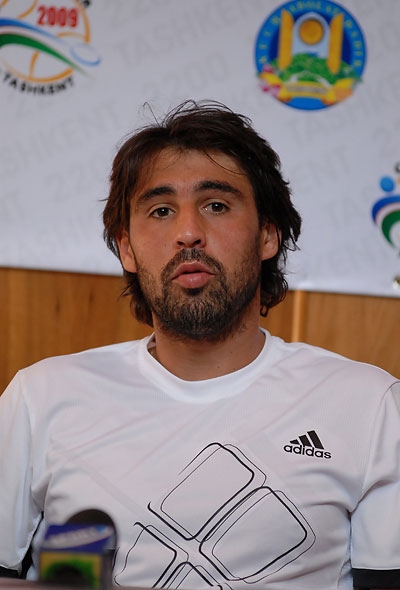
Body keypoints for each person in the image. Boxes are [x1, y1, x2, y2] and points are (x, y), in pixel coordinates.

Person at [0, 100, 399, 590]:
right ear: (126, 248)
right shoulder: (40, 398)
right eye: (161, 211)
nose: (188, 233)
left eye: (216, 205)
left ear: (268, 235)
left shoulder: (367, 405)